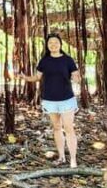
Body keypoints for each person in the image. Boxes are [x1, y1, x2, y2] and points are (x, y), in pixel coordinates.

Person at [17, 33, 81, 168]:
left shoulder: (68, 60)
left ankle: (73, 159)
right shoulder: (44, 61)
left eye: (55, 42)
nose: (53, 45)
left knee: (69, 128)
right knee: (57, 128)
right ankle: (62, 156)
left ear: (60, 44)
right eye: (50, 43)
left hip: (66, 99)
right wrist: (24, 77)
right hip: (50, 99)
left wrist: (77, 77)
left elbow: (76, 76)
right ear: (47, 45)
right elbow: (37, 77)